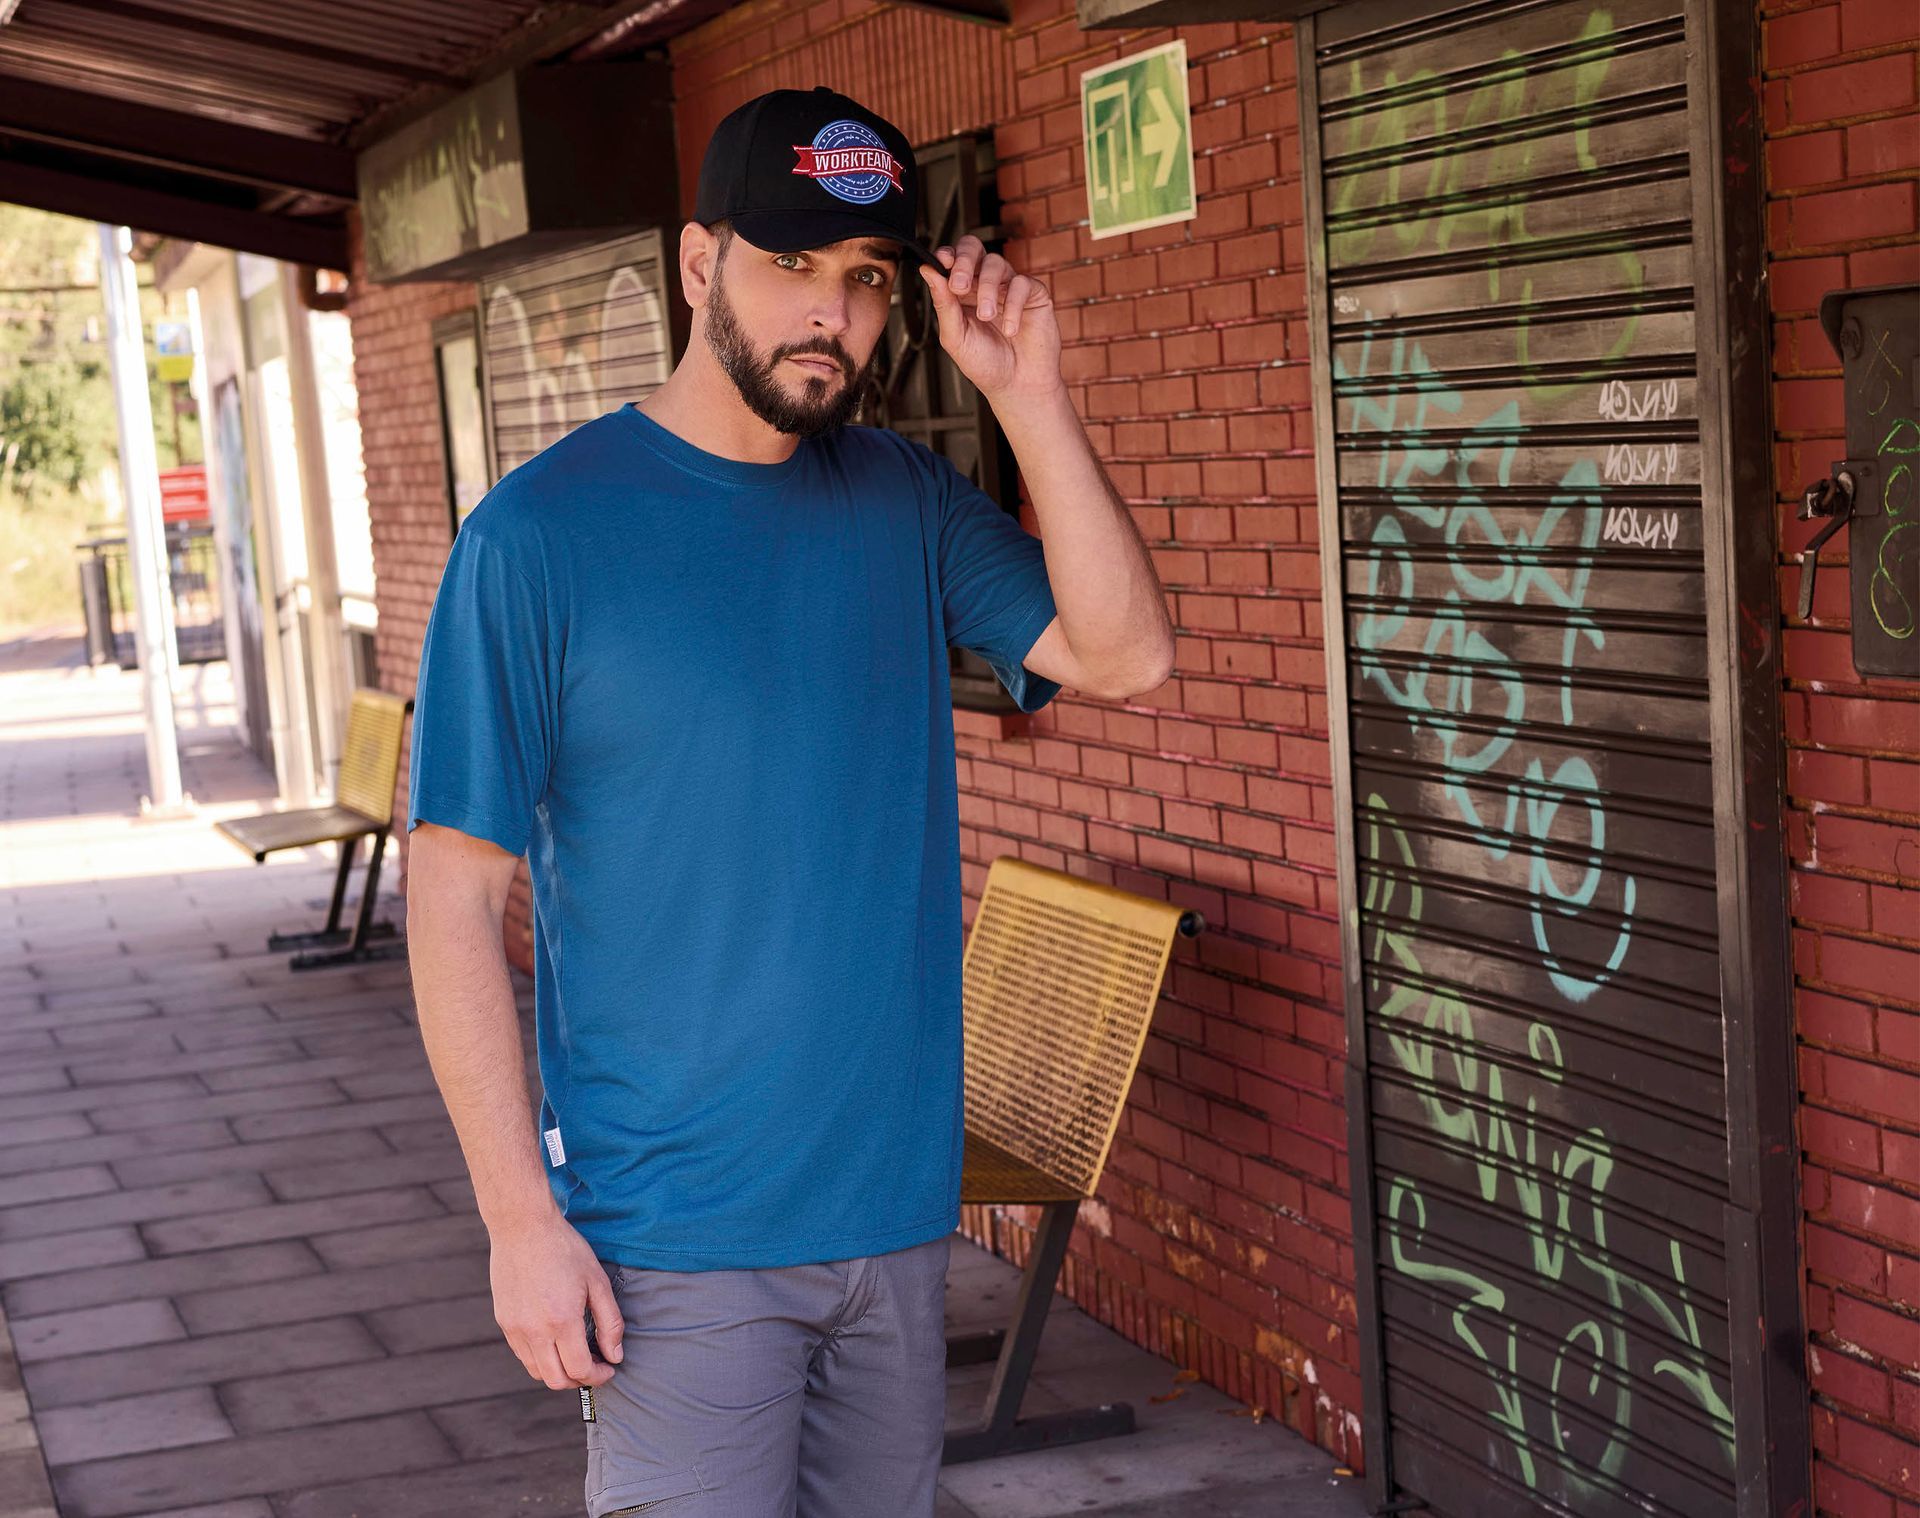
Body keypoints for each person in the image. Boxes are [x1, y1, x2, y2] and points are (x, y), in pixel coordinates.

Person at [403, 85, 1173, 1518]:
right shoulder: (537, 537)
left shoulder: (907, 498)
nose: (834, 314)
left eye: (867, 281)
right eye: (792, 268)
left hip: (889, 1220)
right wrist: (521, 1221)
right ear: (700, 268)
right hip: (673, 1240)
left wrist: (1030, 396)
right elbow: (450, 898)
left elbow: (1126, 651)